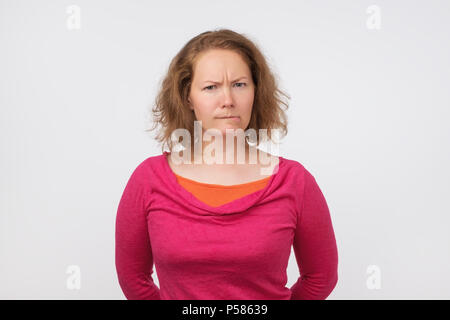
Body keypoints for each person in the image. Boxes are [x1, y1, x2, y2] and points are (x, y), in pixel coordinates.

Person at [115, 28, 338, 300]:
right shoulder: (148, 180)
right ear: (188, 97)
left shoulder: (295, 181)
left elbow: (321, 277)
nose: (228, 101)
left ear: (256, 91)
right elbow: (133, 277)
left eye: (240, 84)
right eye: (211, 87)